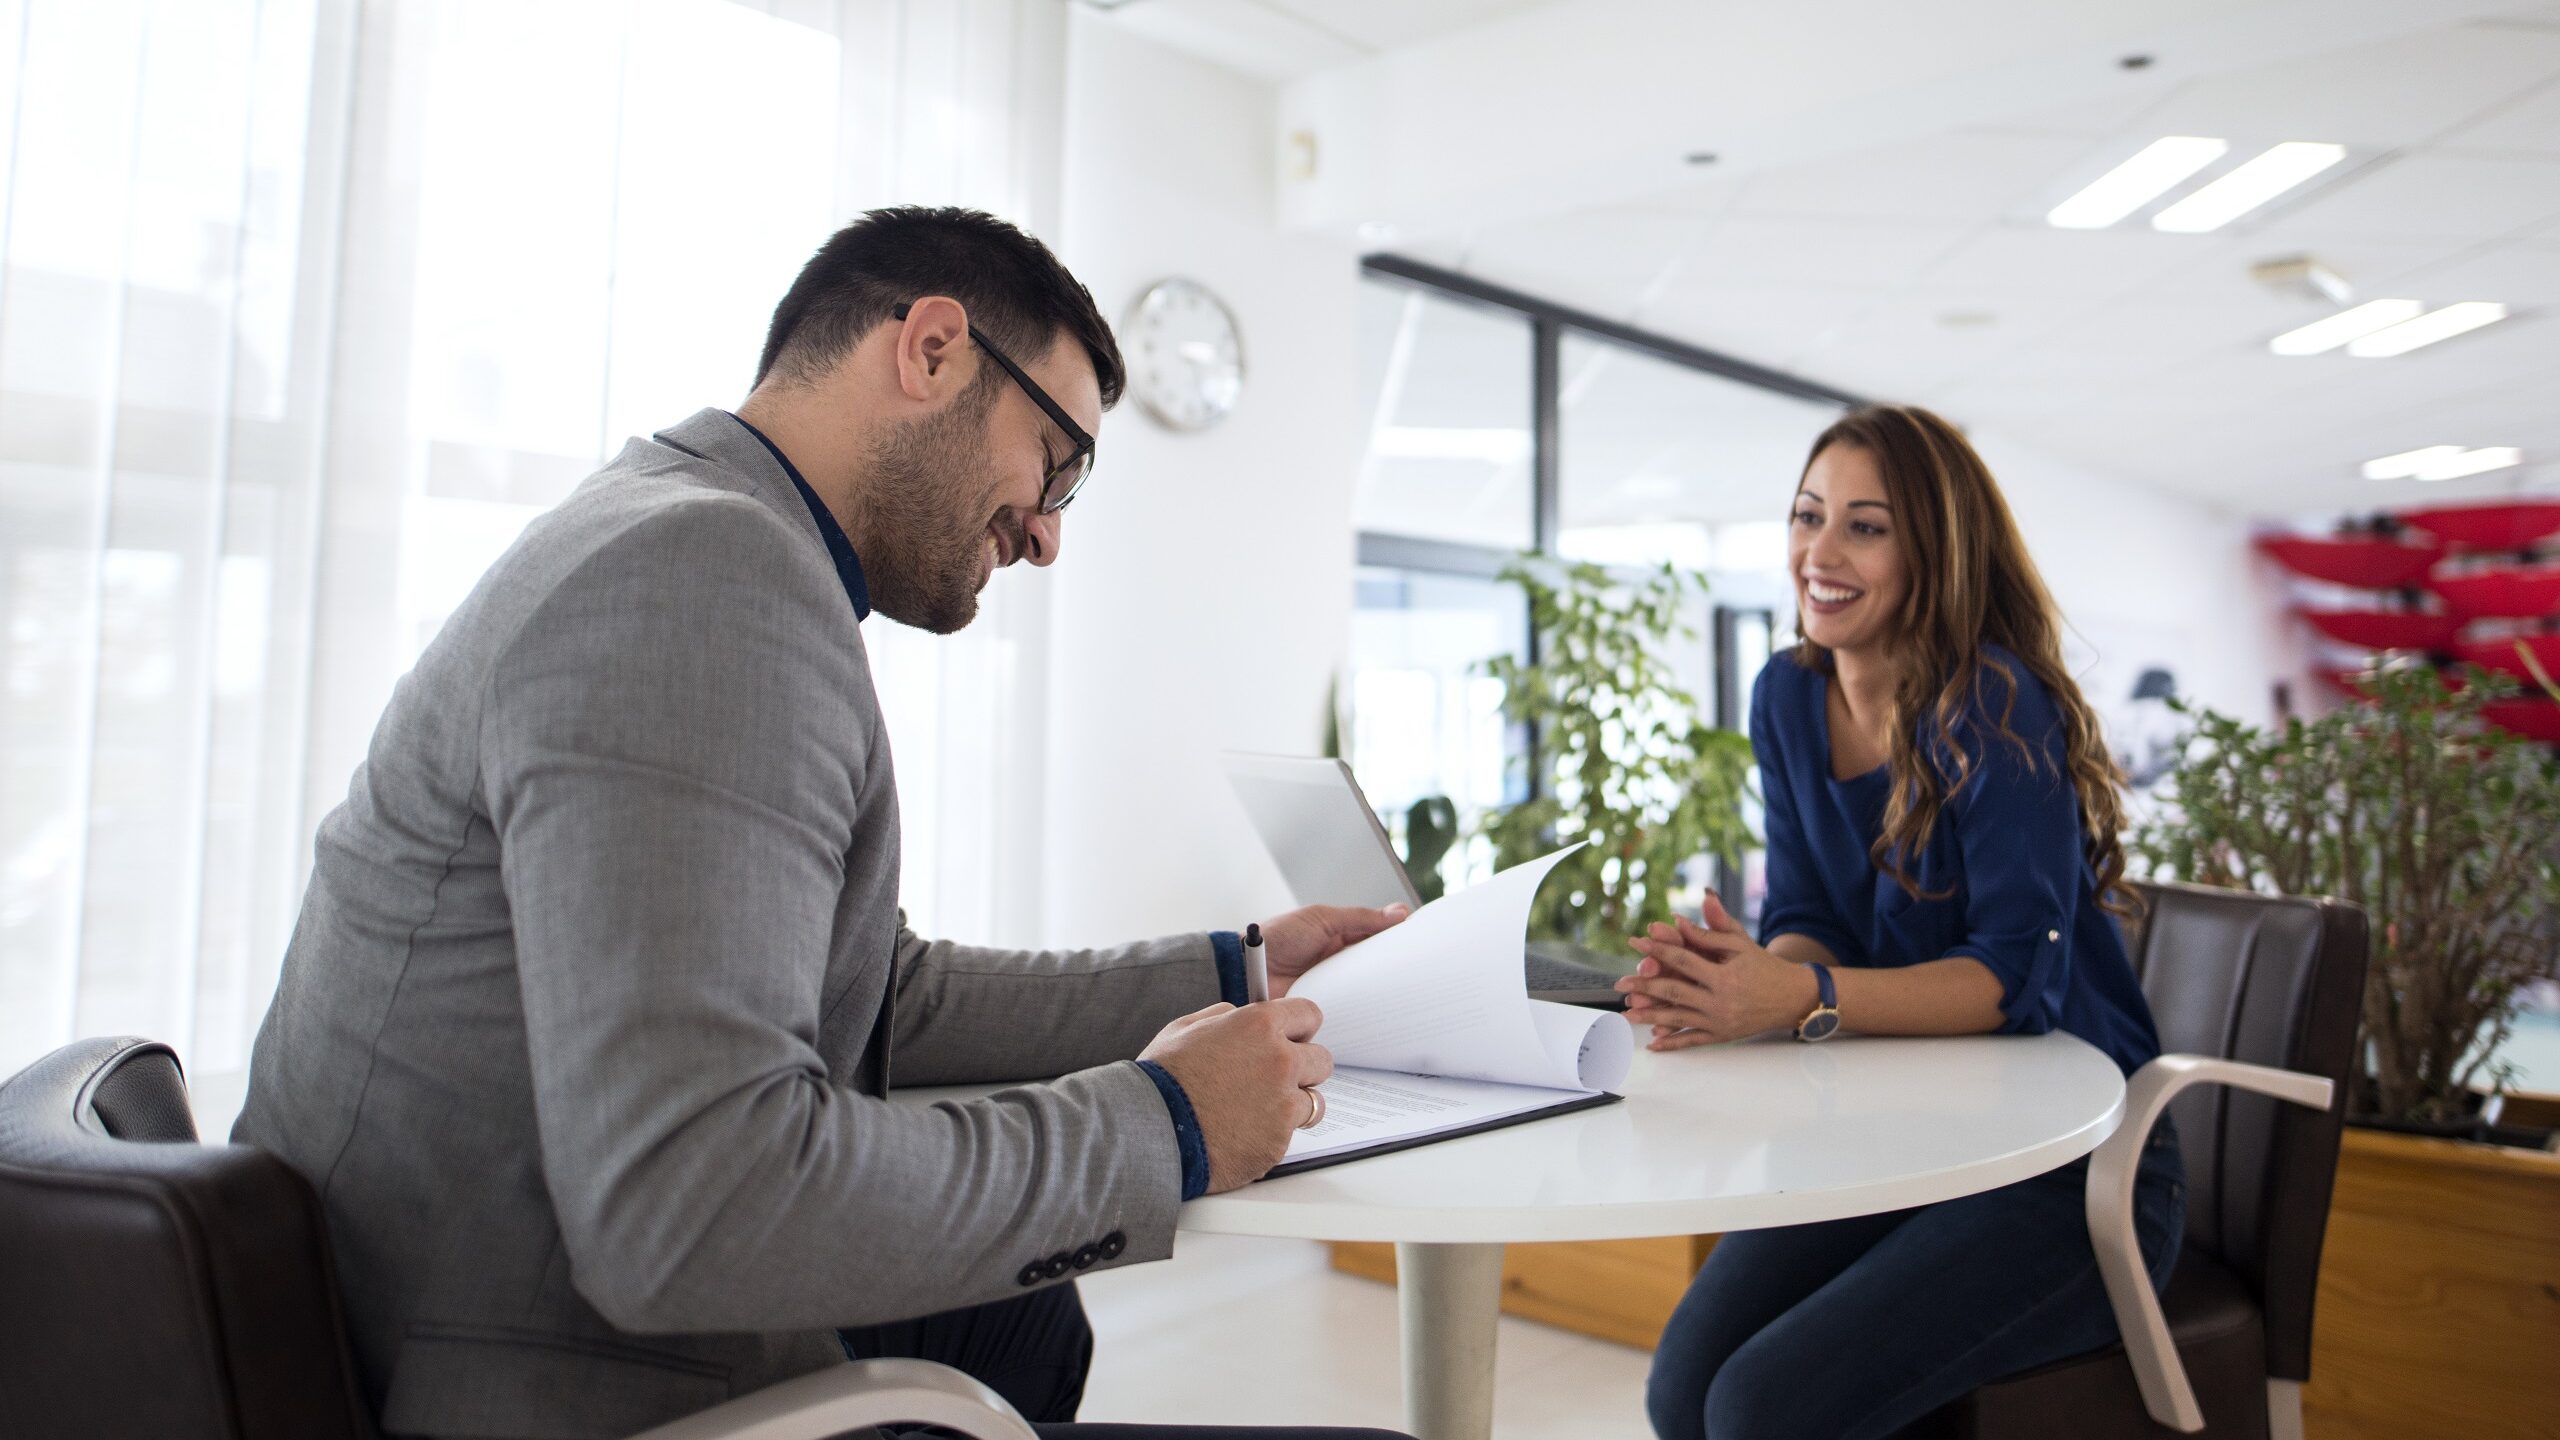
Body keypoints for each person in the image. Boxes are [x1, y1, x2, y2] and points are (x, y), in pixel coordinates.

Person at [233, 207, 1412, 1440]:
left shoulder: (678, 524)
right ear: (934, 351)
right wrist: (1165, 1124)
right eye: (1058, 462)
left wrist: (1240, 970)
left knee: (1026, 1320)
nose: (1050, 534)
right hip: (533, 1372)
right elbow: (691, 1203)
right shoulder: (701, 581)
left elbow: (878, 991)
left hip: (450, 1292)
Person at [1619, 405, 2185, 1440]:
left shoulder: (1996, 705)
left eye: (1864, 527)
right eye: (1806, 515)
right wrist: (1745, 979)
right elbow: (1807, 914)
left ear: (1934, 550)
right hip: (1903, 1138)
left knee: (1761, 1408)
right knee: (1680, 1386)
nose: (1818, 554)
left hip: (2071, 1168)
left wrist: (1798, 994)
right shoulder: (1786, 695)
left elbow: (2016, 980)